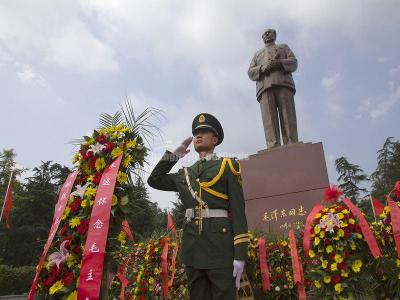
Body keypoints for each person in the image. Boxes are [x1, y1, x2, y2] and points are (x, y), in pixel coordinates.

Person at [147, 113, 249, 300]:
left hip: (221, 249)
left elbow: (238, 211)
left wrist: (240, 254)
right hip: (193, 249)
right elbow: (154, 180)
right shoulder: (186, 173)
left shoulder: (227, 166)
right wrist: (175, 155)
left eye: (204, 131)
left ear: (215, 139)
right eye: (196, 133)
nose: (198, 136)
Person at [248, 28, 299, 148]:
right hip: (264, 86)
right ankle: (272, 145)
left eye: (269, 32)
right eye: (264, 34)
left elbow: (294, 62)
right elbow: (250, 72)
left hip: (283, 83)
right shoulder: (257, 54)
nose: (267, 34)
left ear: (275, 35)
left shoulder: (283, 47)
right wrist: (261, 68)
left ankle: (291, 142)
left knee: (288, 115)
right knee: (269, 120)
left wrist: (280, 63)